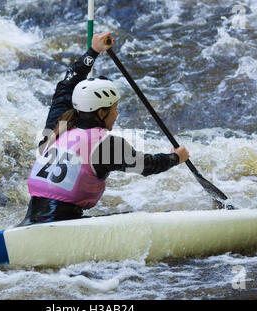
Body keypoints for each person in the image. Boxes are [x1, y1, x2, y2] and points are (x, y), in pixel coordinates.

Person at [18, 32, 189, 226]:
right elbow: (146, 165)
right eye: (114, 109)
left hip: (30, 221)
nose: (116, 114)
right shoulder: (105, 145)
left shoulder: (59, 127)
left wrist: (93, 52)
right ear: (101, 113)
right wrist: (176, 158)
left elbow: (65, 87)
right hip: (59, 226)